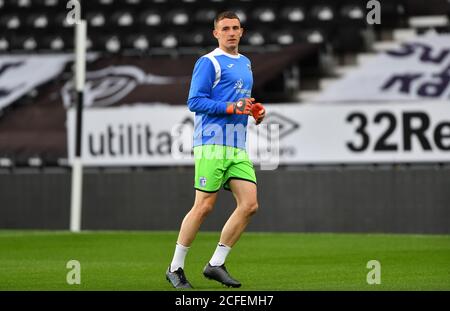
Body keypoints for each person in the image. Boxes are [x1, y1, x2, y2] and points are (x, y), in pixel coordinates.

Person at [166, 11, 266, 289]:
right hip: (211, 143)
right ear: (216, 33)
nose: (231, 32)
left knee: (250, 205)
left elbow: (240, 100)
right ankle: (175, 268)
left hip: (237, 145)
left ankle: (216, 264)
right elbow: (195, 101)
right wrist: (231, 108)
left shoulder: (245, 63)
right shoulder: (209, 62)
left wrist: (254, 110)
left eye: (235, 28)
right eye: (225, 28)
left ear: (242, 32)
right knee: (204, 207)